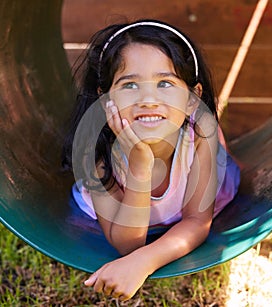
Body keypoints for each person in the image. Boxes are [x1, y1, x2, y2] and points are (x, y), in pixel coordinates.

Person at [62, 19, 240, 301]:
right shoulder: (97, 154)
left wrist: (145, 262)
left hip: (196, 180)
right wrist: (139, 167)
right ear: (105, 98)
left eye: (165, 83)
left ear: (193, 98)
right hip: (127, 211)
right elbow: (127, 244)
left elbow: (196, 221)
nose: (148, 99)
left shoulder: (198, 138)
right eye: (130, 85)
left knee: (224, 161)